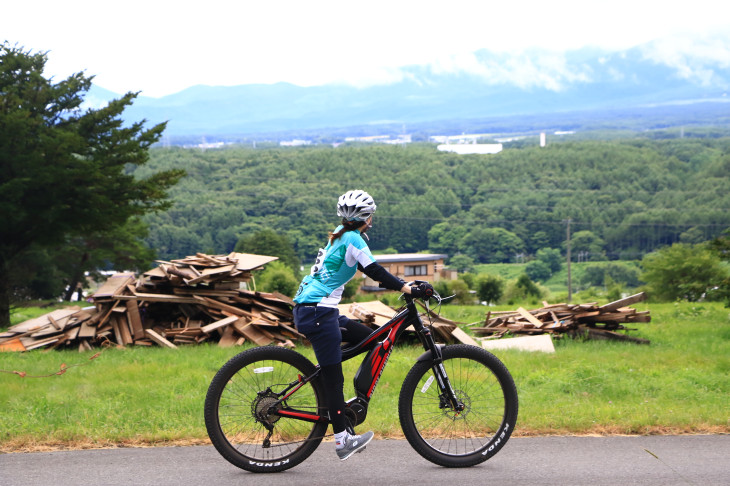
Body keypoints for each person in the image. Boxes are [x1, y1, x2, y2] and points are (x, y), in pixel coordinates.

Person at [293, 189, 433, 461]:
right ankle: (342, 440)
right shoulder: (354, 239)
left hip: (318, 310)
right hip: (318, 312)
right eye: (371, 216)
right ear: (366, 217)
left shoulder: (341, 233)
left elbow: (374, 273)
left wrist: (403, 286)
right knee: (334, 379)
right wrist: (406, 287)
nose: (372, 220)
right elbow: (375, 271)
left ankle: (349, 400)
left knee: (373, 338)